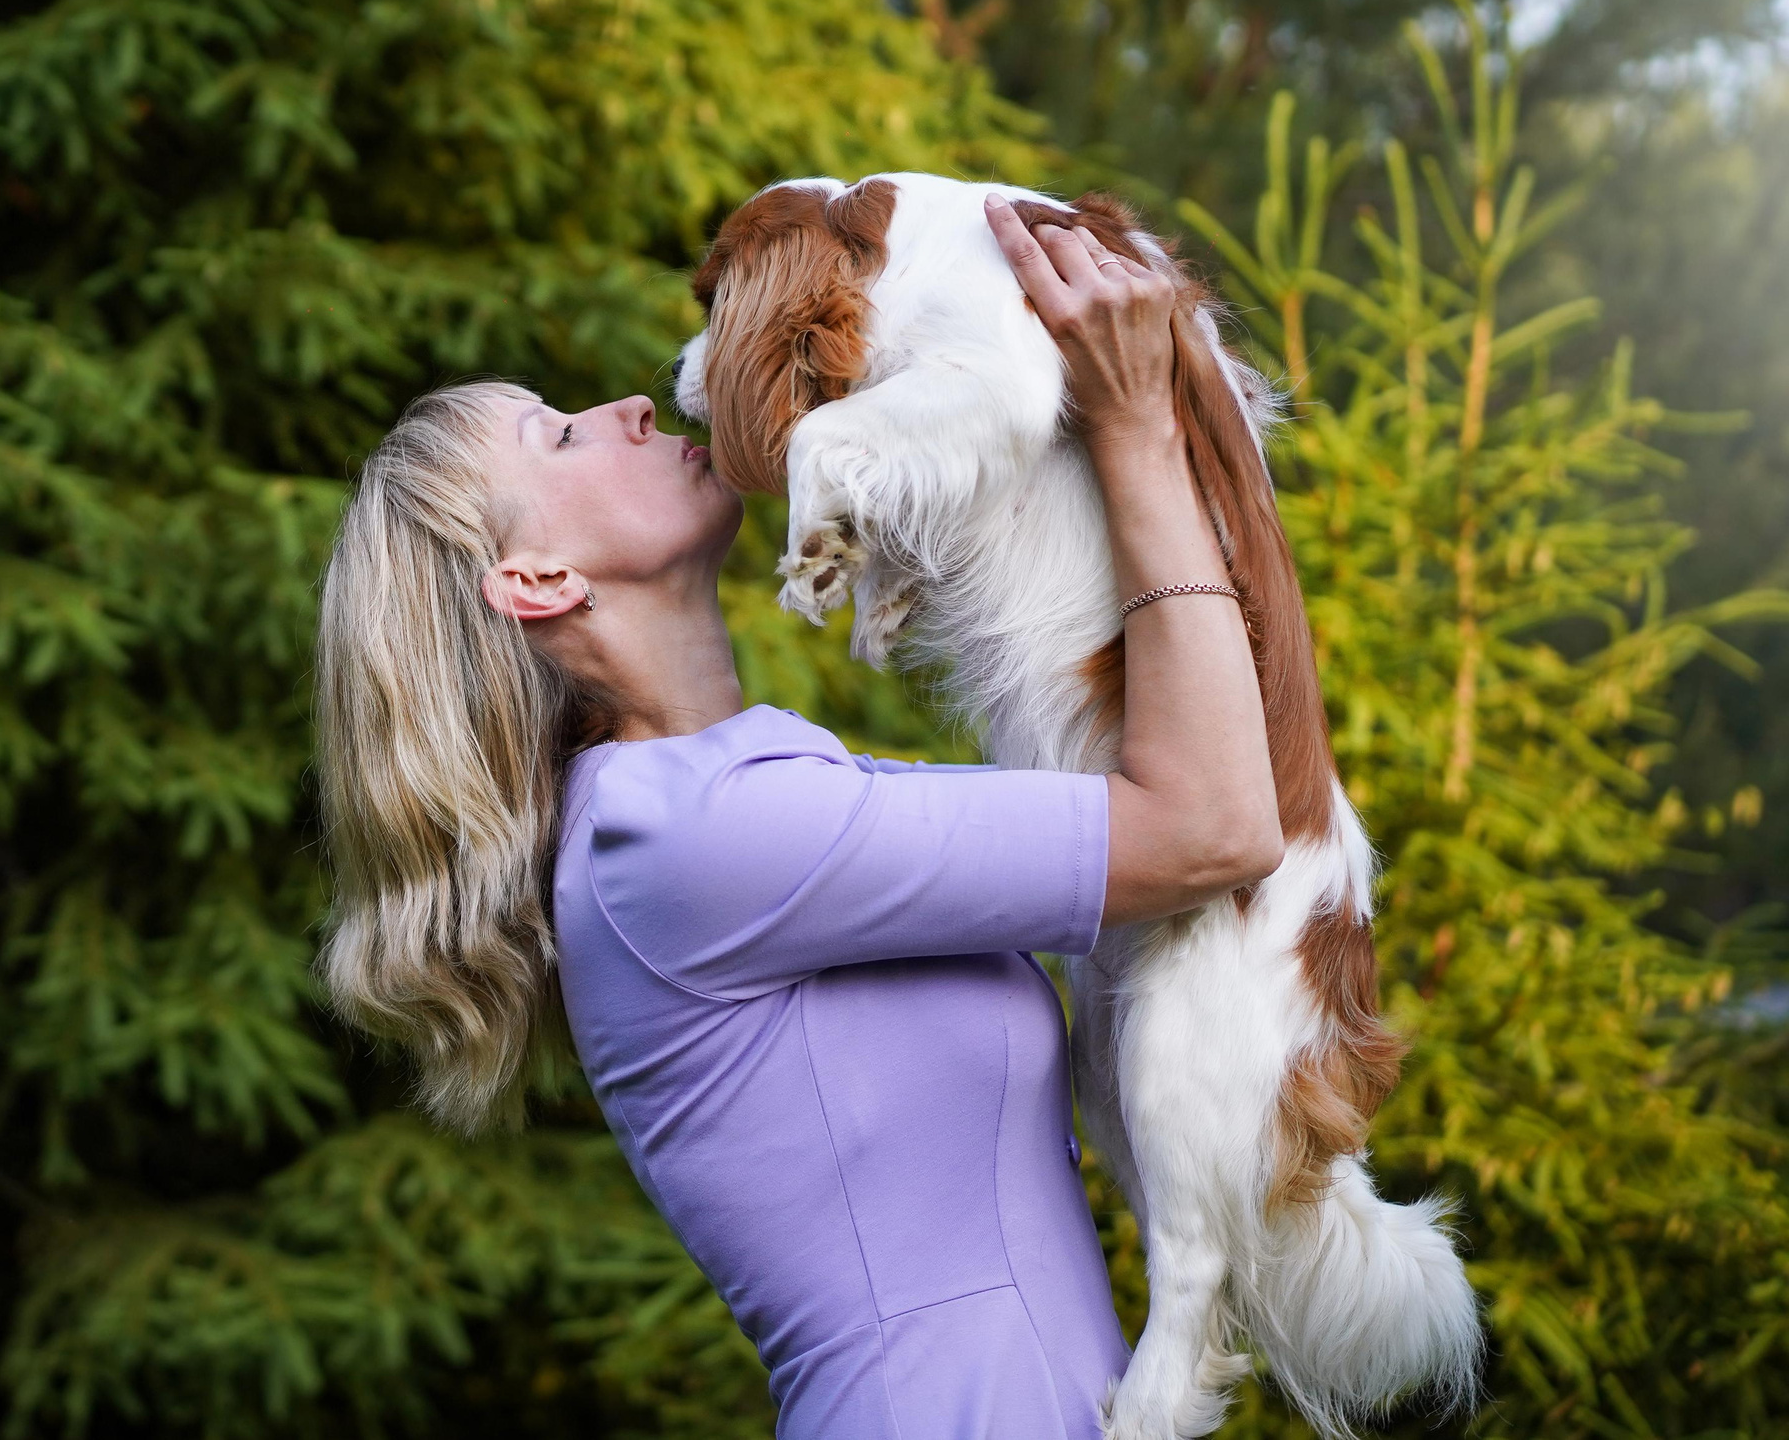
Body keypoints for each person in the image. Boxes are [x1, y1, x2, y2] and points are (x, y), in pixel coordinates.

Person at [312, 198, 1284, 1437]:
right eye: (556, 436)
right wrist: (1134, 423)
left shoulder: (727, 797)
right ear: (537, 578)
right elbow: (1209, 828)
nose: (628, 406)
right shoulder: (691, 836)